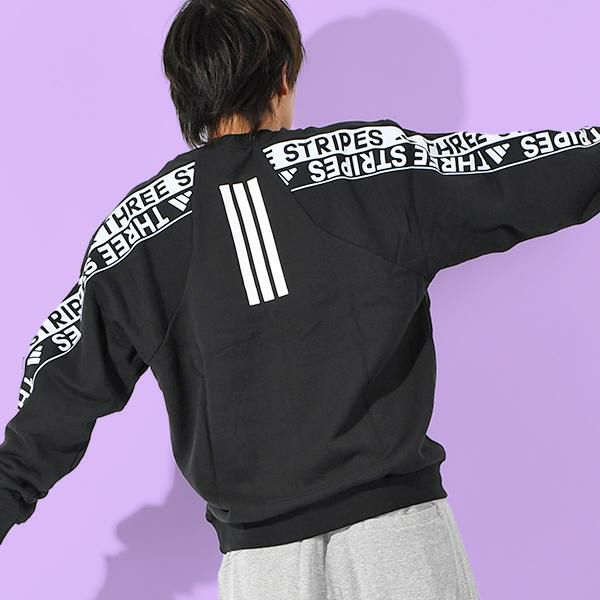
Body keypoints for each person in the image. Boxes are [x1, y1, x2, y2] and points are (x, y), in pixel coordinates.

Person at [2, 1, 600, 598]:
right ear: (283, 76)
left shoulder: (134, 235)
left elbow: (55, 397)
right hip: (400, 542)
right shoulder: (371, 165)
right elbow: (529, 172)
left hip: (262, 570)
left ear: (183, 90)